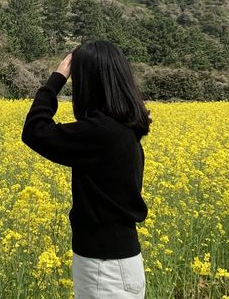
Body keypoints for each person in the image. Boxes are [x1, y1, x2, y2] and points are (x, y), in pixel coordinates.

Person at [21, 39, 152, 299]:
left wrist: (56, 80)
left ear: (89, 83)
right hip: (111, 263)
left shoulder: (103, 132)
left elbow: (35, 131)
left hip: (106, 268)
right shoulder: (123, 128)